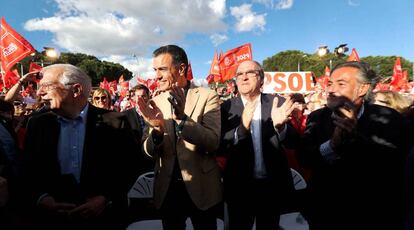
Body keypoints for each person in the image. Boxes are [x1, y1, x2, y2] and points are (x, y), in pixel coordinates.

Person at [23, 64, 141, 229]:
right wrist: (41, 198)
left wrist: (105, 198)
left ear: (76, 90)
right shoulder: (37, 124)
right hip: (52, 220)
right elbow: (27, 169)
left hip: (104, 218)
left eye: (47, 87)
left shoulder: (115, 122)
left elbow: (131, 166)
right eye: (39, 87)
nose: (39, 93)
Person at [299, 61, 410, 230]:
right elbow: (305, 158)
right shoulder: (316, 117)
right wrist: (331, 146)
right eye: (329, 84)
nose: (330, 89)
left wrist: (356, 139)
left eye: (340, 84)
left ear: (362, 89)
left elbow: (395, 164)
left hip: (375, 215)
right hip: (325, 214)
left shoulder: (389, 119)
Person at [137, 45, 222, 230]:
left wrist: (182, 119)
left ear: (181, 69)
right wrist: (157, 132)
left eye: (162, 69)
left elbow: (212, 142)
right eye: (155, 70)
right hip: (167, 190)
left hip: (202, 189)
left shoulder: (208, 96)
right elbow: (147, 151)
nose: (156, 76)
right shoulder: (155, 101)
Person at [217, 60, 298, 229]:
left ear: (262, 79)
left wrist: (281, 127)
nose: (244, 77)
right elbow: (221, 145)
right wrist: (242, 130)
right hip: (239, 189)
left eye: (250, 73)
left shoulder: (278, 103)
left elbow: (295, 141)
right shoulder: (225, 108)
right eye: (239, 74)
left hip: (272, 188)